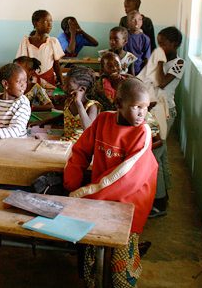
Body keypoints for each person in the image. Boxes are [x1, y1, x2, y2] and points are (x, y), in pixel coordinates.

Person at [64, 78, 158, 287]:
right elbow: (80, 150)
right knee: (93, 254)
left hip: (128, 204)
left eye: (145, 107)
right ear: (118, 104)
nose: (142, 114)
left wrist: (79, 195)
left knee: (120, 264)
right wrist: (72, 182)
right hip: (100, 199)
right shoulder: (103, 120)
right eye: (136, 107)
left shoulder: (142, 133)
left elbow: (124, 177)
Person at [138, 26, 184, 217]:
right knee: (161, 154)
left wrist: (158, 63)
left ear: (175, 44)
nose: (160, 47)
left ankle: (159, 203)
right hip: (152, 110)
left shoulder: (178, 63)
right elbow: (142, 79)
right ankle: (163, 196)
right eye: (159, 43)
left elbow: (162, 82)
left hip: (164, 113)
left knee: (154, 156)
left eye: (163, 44)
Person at [15, 10, 65, 87]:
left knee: (48, 94)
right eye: (46, 21)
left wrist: (62, 83)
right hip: (31, 80)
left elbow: (56, 65)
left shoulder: (53, 42)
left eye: (51, 21)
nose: (50, 25)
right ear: (35, 23)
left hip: (48, 80)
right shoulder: (26, 42)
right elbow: (22, 65)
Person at [61, 65, 100, 142]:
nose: (64, 88)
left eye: (68, 85)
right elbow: (66, 118)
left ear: (82, 89)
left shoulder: (92, 106)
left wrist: (79, 103)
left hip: (82, 145)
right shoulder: (68, 102)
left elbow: (88, 129)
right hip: (66, 144)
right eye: (64, 84)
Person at [124, 10, 151, 75]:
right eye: (133, 20)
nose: (137, 22)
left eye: (139, 19)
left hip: (138, 71)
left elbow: (147, 59)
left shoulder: (145, 39)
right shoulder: (123, 36)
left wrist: (144, 74)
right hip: (124, 70)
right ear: (128, 23)